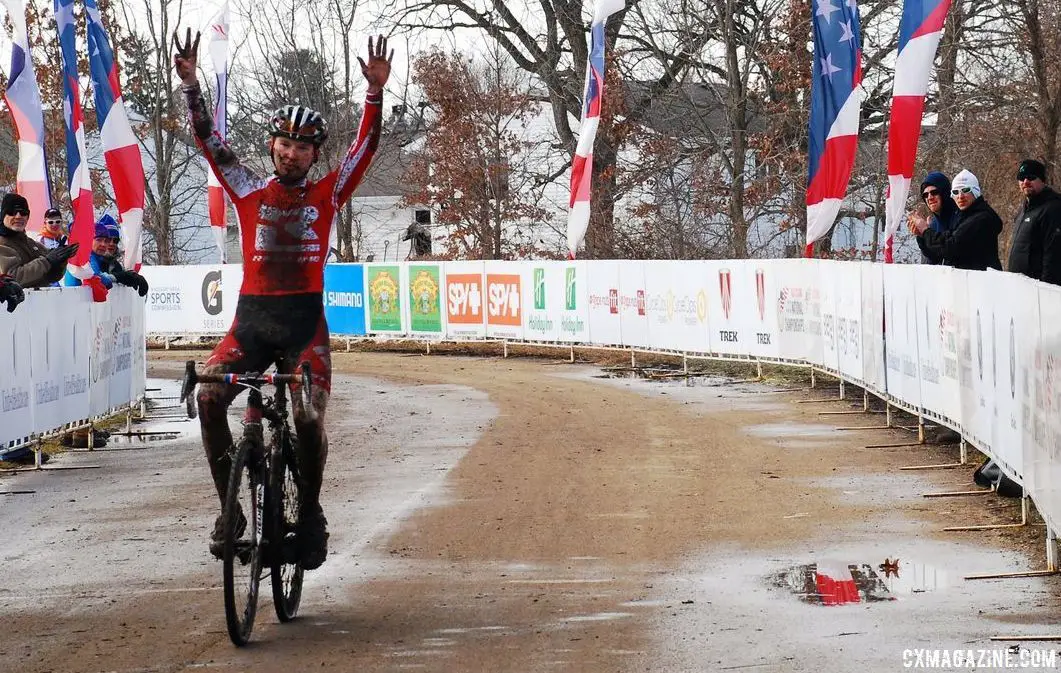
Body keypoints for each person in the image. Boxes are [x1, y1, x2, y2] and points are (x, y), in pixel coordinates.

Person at [173, 28, 392, 569]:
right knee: (206, 399)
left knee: (310, 420)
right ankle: (231, 510)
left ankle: (310, 512)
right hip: (250, 323)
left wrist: (374, 94)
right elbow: (209, 143)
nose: (291, 154)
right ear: (272, 146)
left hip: (304, 326)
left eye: (302, 147)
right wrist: (192, 86)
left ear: (313, 155)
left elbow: (365, 148)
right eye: (284, 144)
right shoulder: (247, 188)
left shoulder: (328, 192)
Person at [909, 169, 1002, 271]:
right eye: (956, 192)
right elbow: (937, 257)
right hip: (960, 281)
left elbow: (951, 247)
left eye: (965, 190)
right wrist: (922, 236)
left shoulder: (978, 218)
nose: (960, 196)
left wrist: (926, 231)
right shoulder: (959, 217)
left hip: (980, 282)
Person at [0, 193, 78, 288]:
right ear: (3, 216)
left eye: (23, 212)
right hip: (14, 302)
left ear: (27, 217)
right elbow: (12, 279)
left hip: (40, 299)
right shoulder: (2, 243)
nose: (18, 216)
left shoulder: (32, 244)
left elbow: (52, 277)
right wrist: (47, 261)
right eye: (12, 212)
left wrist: (60, 260)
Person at [64, 214, 149, 297]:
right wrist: (123, 276)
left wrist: (127, 276)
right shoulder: (86, 257)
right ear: (89, 239)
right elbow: (99, 279)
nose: (105, 244)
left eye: (107, 241)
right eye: (99, 240)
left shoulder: (105, 261)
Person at [1007, 159, 1061, 285]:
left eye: (1031, 177)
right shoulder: (1024, 209)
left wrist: (1046, 290)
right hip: (1020, 288)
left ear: (1042, 180)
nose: (1025, 182)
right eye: (1022, 177)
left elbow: (1054, 256)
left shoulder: (1053, 208)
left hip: (1040, 292)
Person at [907, 171, 960, 265]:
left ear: (944, 193)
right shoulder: (934, 224)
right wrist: (921, 236)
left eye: (934, 192)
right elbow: (933, 260)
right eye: (925, 195)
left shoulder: (961, 217)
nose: (929, 198)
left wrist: (926, 231)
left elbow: (953, 251)